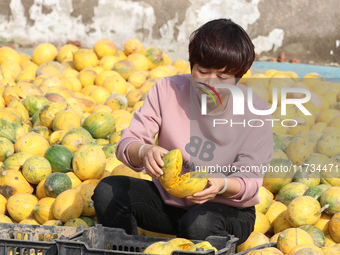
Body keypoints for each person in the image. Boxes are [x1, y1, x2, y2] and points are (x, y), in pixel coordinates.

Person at [92, 18, 273, 245]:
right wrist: (145, 151)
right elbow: (128, 142)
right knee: (109, 191)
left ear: (239, 76)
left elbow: (250, 181)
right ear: (192, 65)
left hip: (225, 212)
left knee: (198, 224)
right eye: (203, 71)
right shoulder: (168, 90)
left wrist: (221, 184)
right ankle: (126, 250)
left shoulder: (256, 112)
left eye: (223, 77)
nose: (210, 84)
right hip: (170, 204)